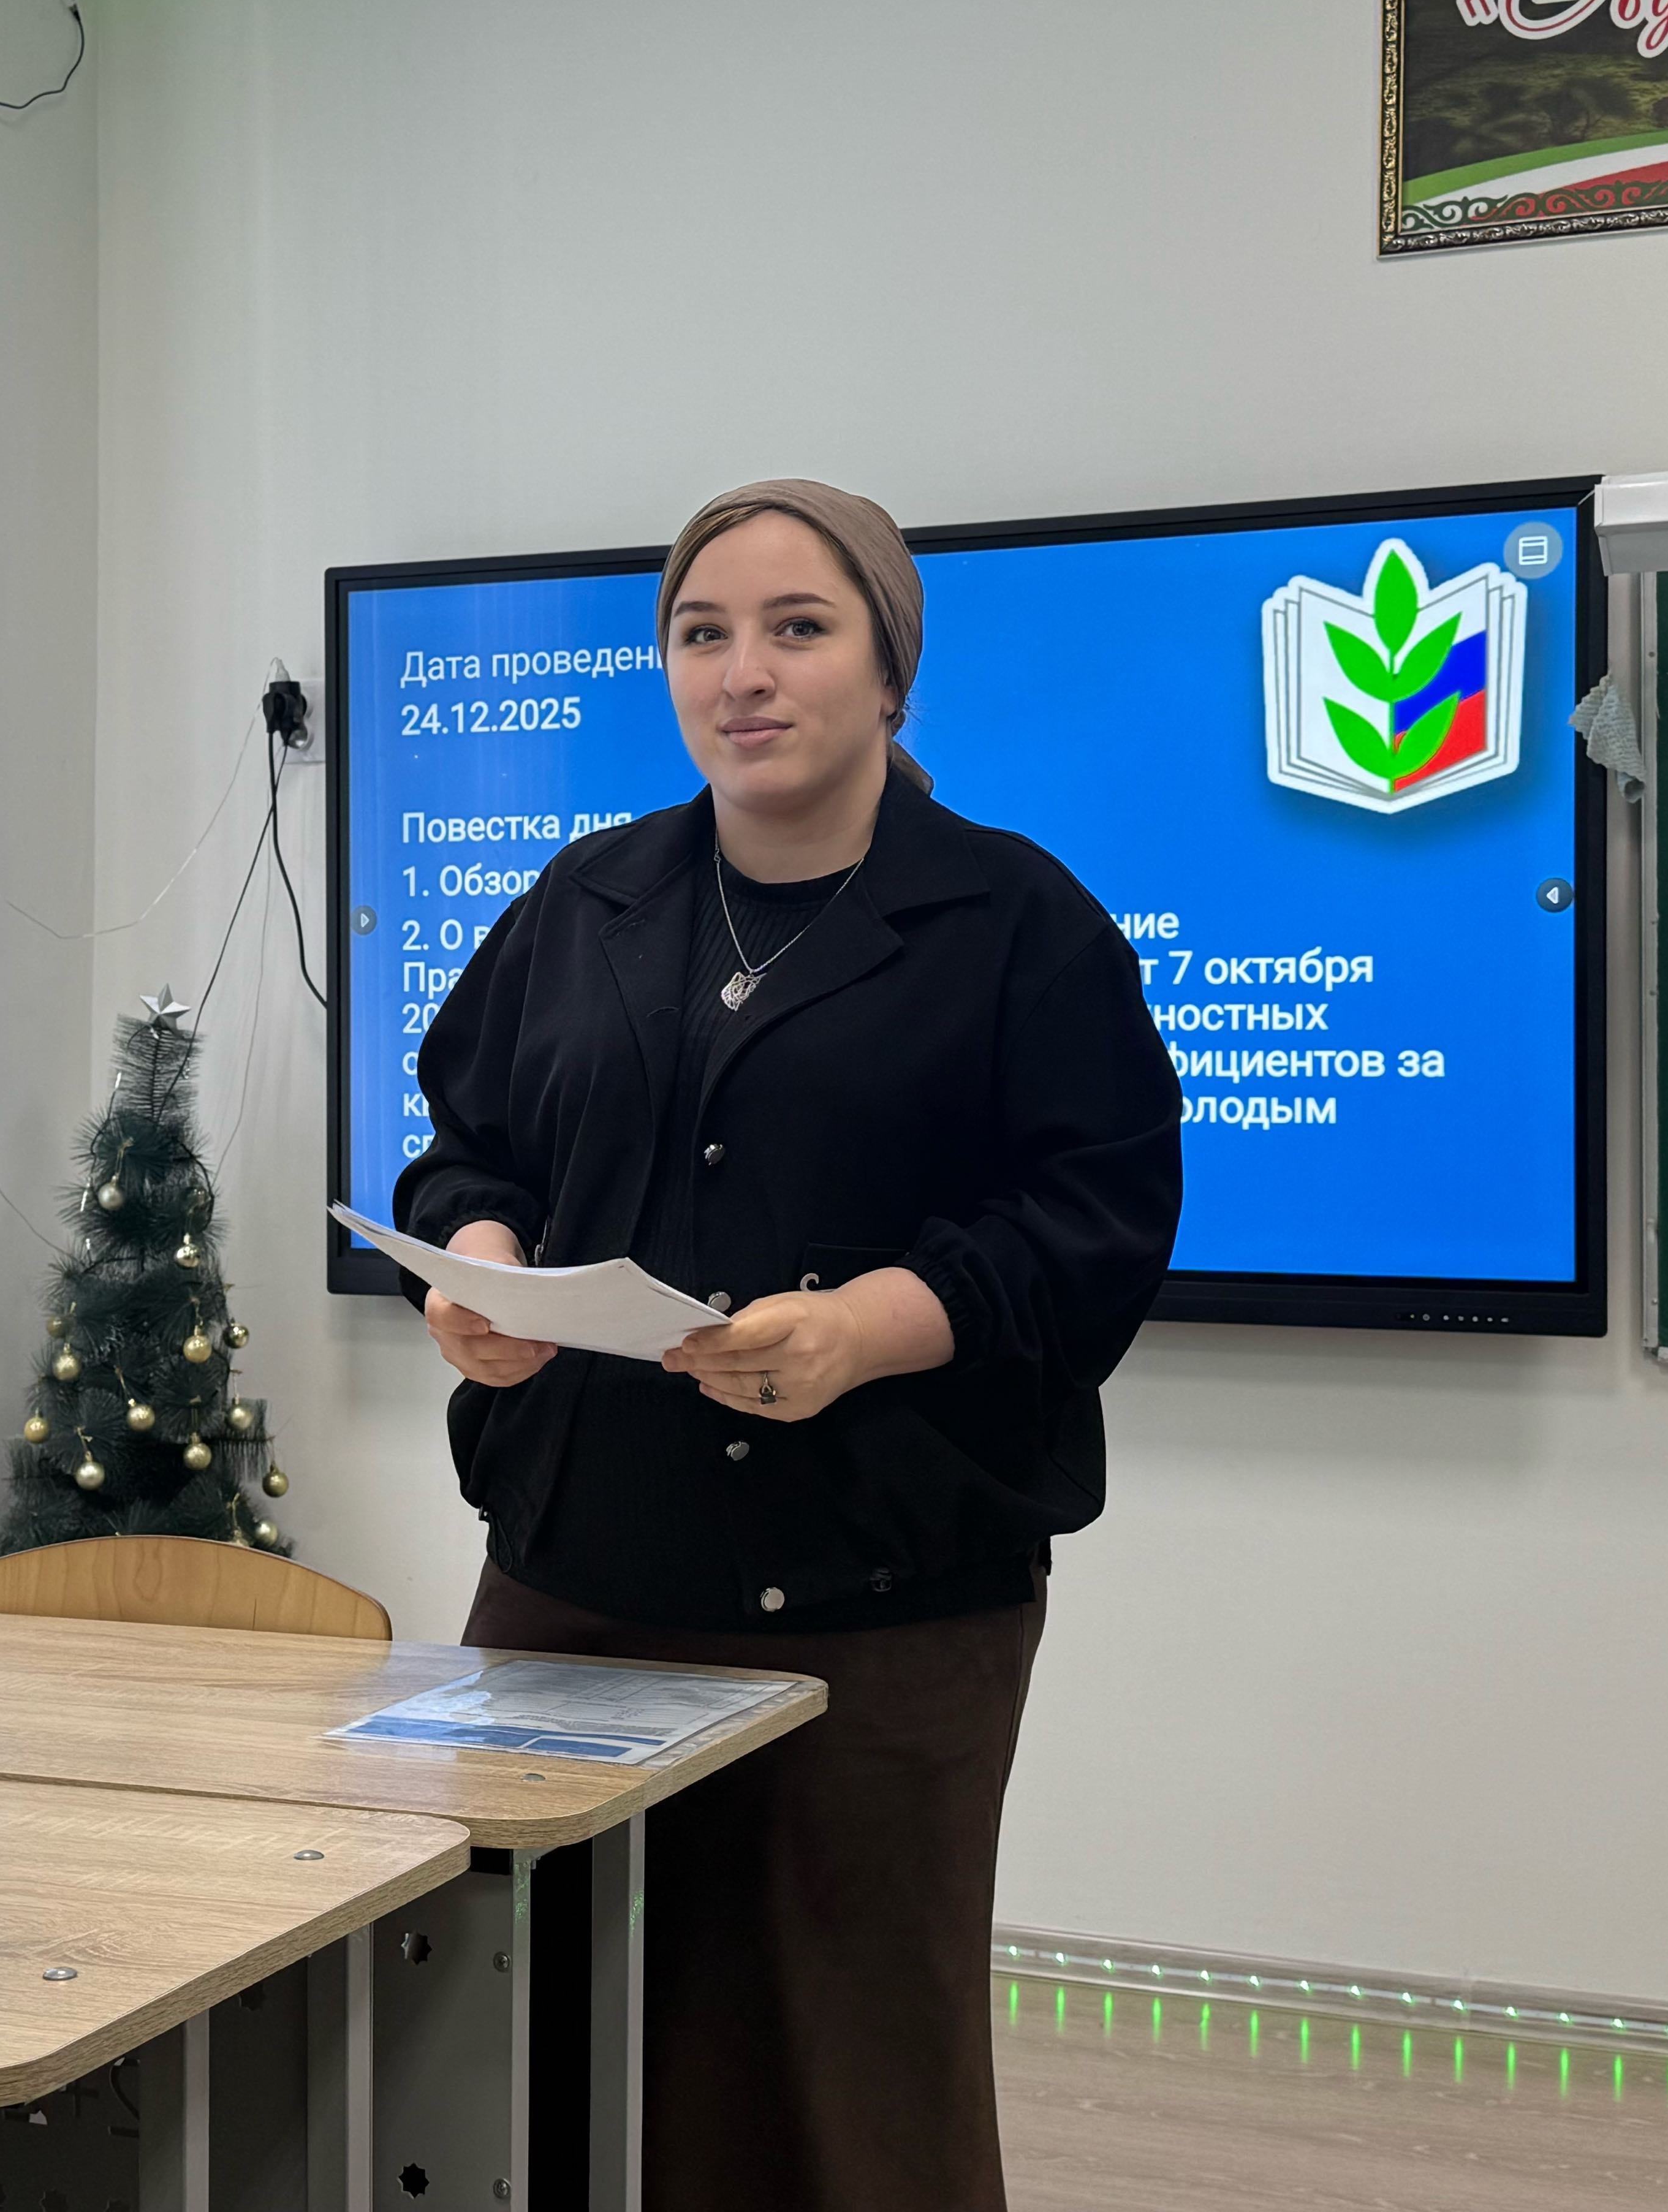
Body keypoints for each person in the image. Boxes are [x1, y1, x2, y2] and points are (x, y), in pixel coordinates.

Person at [396, 479, 1183, 2211]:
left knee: (850, 2079)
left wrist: (866, 1330)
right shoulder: (584, 900)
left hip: (880, 1606)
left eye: (797, 629)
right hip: (576, 1576)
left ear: (890, 671)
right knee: (519, 2044)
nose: (742, 672)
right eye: (703, 633)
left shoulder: (1018, 923)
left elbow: (1095, 1222)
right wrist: (480, 1269)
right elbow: (468, 1150)